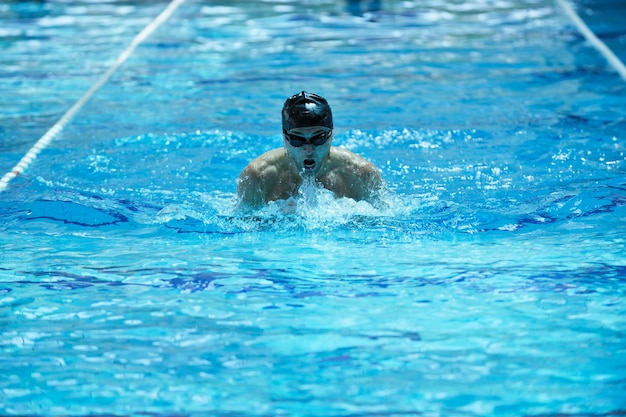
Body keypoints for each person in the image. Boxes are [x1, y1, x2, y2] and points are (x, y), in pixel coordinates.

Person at [237, 91, 384, 209]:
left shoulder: (361, 174)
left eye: (318, 138)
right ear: (285, 138)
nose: (308, 149)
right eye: (297, 139)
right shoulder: (258, 176)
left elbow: (382, 227)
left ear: (331, 135)